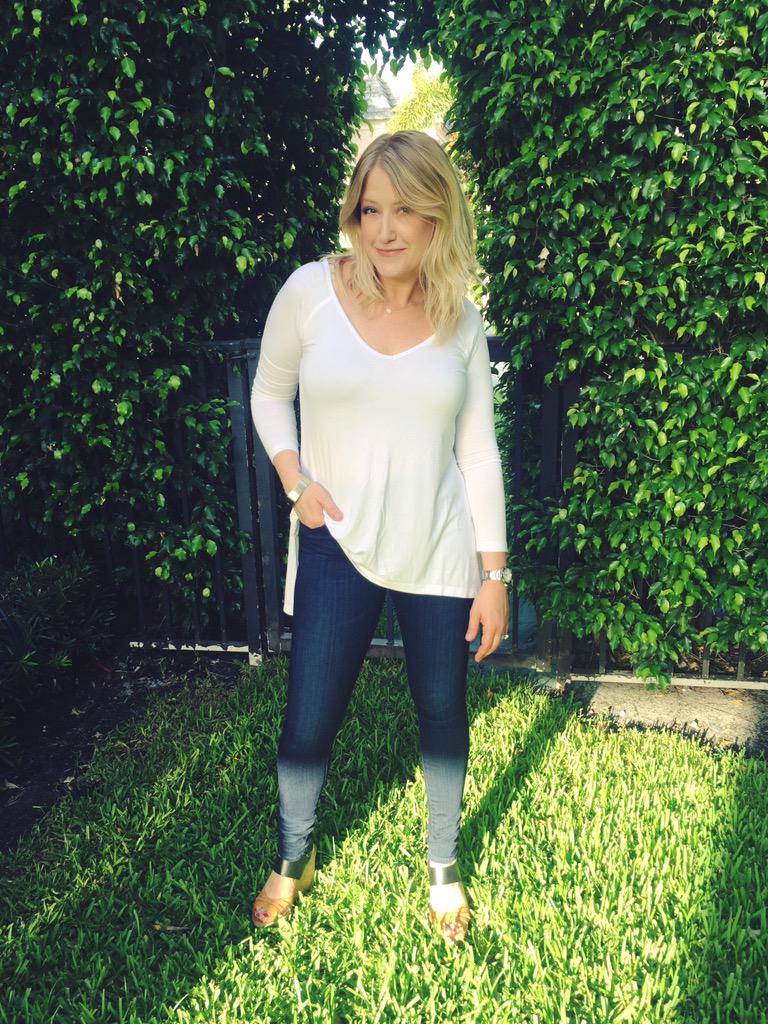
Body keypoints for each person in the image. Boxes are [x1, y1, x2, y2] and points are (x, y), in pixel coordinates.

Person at [249, 130, 510, 944]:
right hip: (336, 541)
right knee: (308, 720)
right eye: (371, 210)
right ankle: (294, 857)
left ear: (438, 216)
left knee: (442, 712)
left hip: (438, 547)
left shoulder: (460, 321)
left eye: (406, 210)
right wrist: (297, 482)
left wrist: (494, 574)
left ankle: (444, 867)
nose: (385, 229)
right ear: (353, 215)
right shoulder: (310, 292)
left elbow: (477, 451)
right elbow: (268, 393)